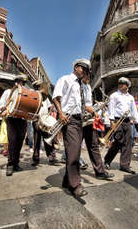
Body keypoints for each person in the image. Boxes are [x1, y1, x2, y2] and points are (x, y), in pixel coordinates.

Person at [52, 58, 92, 197]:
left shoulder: (82, 85)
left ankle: (66, 181)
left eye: (87, 70)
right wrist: (61, 113)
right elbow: (56, 97)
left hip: (79, 120)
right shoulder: (65, 79)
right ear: (76, 67)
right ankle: (76, 185)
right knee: (74, 152)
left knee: (74, 151)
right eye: (83, 68)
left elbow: (84, 103)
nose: (85, 72)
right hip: (68, 118)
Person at [103, 77, 138, 174]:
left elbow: (134, 111)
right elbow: (111, 108)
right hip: (116, 120)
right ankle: (107, 160)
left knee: (128, 143)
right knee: (119, 140)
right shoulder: (114, 95)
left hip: (127, 121)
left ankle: (125, 165)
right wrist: (111, 121)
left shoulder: (131, 97)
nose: (120, 85)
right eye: (119, 83)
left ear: (127, 86)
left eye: (123, 84)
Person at [81, 74, 114, 180]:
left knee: (94, 146)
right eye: (87, 76)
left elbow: (88, 104)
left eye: (89, 76)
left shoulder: (88, 87)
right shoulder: (77, 85)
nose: (88, 78)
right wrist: (94, 111)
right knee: (75, 147)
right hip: (78, 120)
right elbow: (84, 105)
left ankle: (100, 172)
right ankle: (71, 174)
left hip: (88, 121)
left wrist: (98, 107)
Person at [0, 74, 28, 176]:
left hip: (23, 119)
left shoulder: (26, 93)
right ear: (15, 82)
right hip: (11, 119)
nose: (21, 84)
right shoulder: (8, 92)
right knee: (12, 141)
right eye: (19, 82)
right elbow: (1, 104)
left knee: (20, 141)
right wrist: (3, 108)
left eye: (22, 82)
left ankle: (16, 163)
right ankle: (10, 164)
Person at [31, 80, 59, 166]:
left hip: (44, 119)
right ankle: (36, 159)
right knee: (37, 139)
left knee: (47, 138)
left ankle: (51, 157)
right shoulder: (33, 95)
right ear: (37, 87)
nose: (41, 87)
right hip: (36, 119)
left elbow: (50, 106)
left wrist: (48, 115)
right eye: (40, 86)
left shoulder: (45, 97)